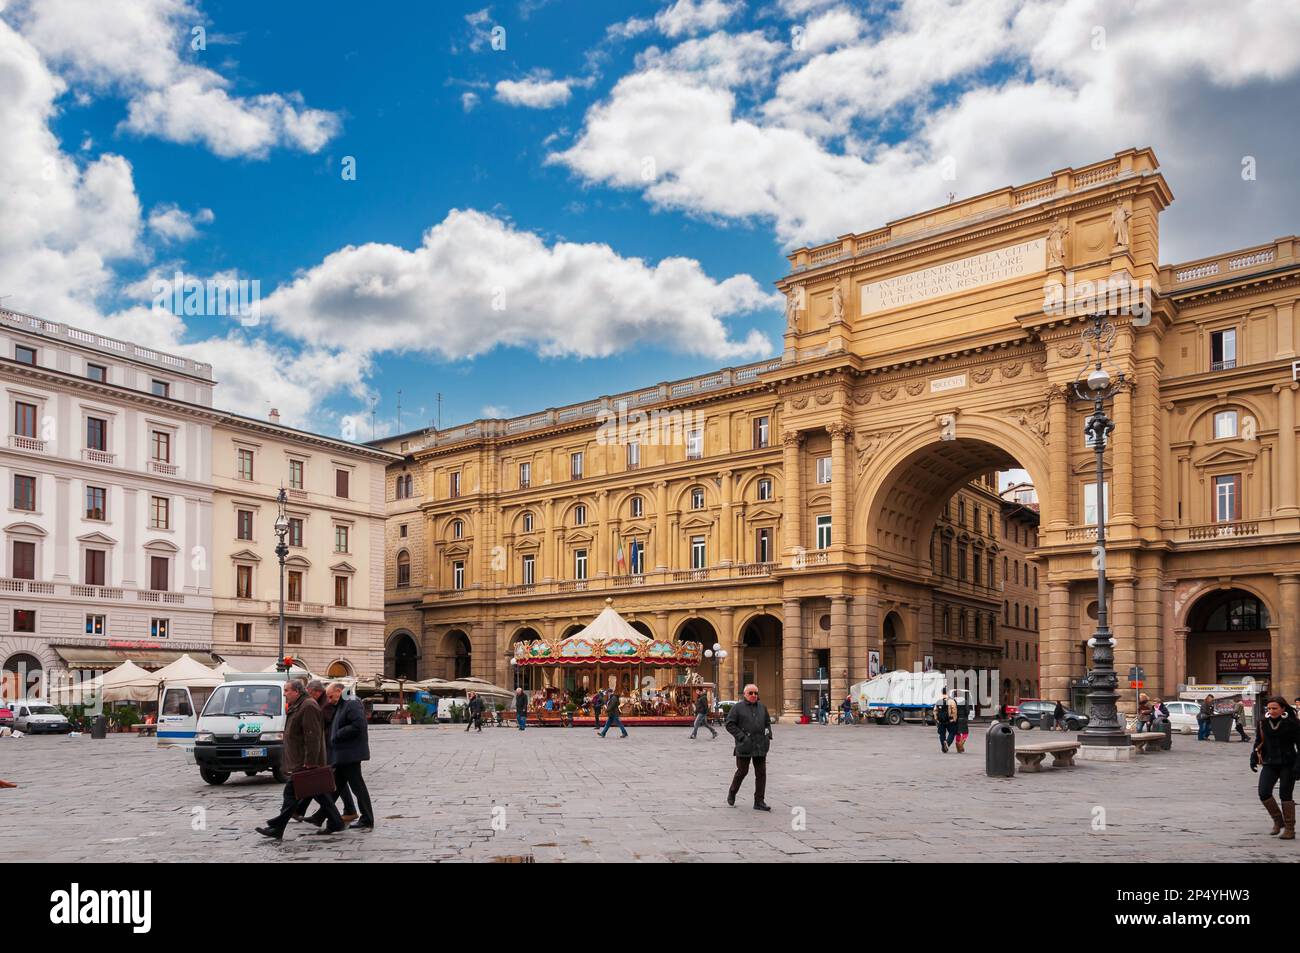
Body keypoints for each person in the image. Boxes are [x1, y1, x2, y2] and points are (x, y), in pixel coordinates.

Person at [256, 679, 345, 839]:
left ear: (297, 691)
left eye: (287, 690)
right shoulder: (300, 705)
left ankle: (277, 827)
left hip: (305, 761)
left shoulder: (308, 706)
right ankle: (336, 822)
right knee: (319, 793)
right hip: (300, 759)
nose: (284, 694)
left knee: (290, 793)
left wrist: (310, 761)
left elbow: (313, 736)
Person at [326, 682, 374, 830]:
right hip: (344, 753)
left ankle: (367, 819)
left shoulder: (351, 702)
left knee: (357, 787)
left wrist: (337, 734)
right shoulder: (342, 704)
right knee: (335, 787)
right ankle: (321, 816)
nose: (329, 700)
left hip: (350, 753)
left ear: (339, 691)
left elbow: (358, 725)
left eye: (331, 696)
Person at [1251, 695, 1300, 839]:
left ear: (1283, 708)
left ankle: (1290, 828)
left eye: (1275, 708)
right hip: (1270, 763)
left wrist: (1298, 766)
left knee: (1285, 795)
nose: (1271, 711)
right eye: (1269, 708)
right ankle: (1278, 821)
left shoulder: (1293, 724)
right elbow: (1258, 741)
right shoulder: (1263, 723)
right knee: (1263, 792)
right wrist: (1253, 757)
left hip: (1288, 764)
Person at [725, 684, 772, 811]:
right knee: (742, 771)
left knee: (761, 773)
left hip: (760, 744)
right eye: (750, 693)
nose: (753, 695)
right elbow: (729, 724)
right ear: (745, 694)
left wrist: (768, 737)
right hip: (744, 745)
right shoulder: (737, 708)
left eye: (755, 693)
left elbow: (767, 723)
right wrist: (741, 737)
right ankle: (732, 792)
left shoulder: (762, 707)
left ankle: (759, 801)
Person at [934, 688, 957, 752]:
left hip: (941, 721)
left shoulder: (938, 701)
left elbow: (935, 711)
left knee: (942, 734)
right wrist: (954, 719)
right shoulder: (951, 701)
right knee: (952, 732)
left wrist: (937, 719)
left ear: (942, 692)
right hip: (949, 721)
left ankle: (943, 748)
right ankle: (947, 743)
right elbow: (954, 711)